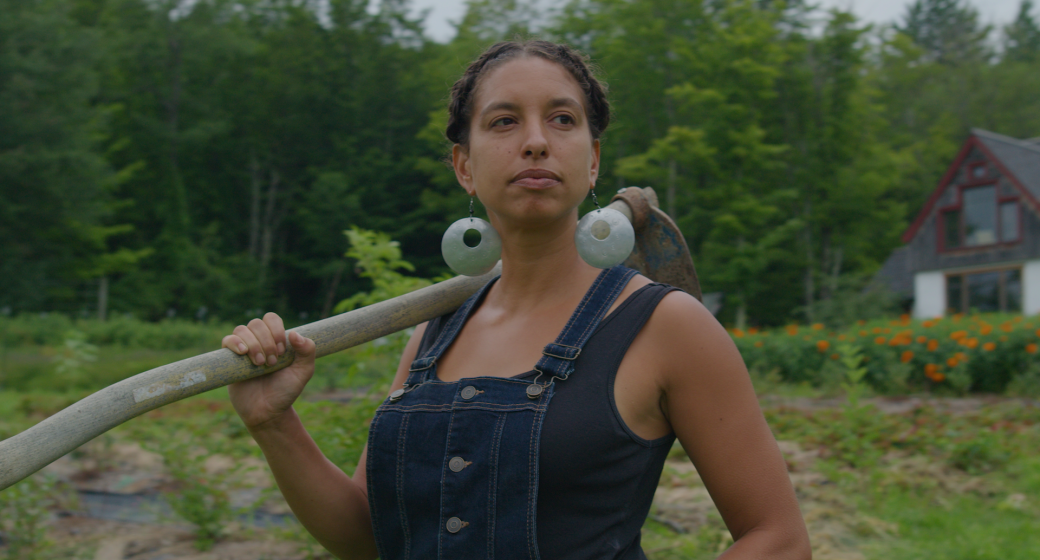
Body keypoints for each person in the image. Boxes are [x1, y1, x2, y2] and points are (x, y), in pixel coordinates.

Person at [222, 40, 811, 560]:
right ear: (464, 167)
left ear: (593, 159)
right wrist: (276, 424)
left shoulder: (663, 325)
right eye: (504, 122)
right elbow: (370, 537)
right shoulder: (435, 334)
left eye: (561, 119)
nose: (535, 142)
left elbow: (778, 538)